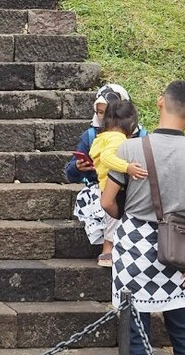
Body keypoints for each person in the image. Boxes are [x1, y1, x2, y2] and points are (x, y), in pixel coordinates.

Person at [102, 80, 185, 355]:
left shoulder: (130, 150)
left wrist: (127, 216)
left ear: (160, 102)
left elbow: (107, 202)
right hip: (177, 252)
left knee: (136, 338)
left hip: (134, 249)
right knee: (184, 336)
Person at [69, 83, 148, 251]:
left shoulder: (142, 135)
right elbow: (70, 174)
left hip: (135, 186)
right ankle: (109, 245)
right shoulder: (92, 135)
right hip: (102, 189)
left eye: (109, 113)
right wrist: (78, 167)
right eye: (100, 112)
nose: (105, 118)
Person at [88, 100, 148, 267]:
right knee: (114, 221)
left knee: (113, 219)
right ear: (131, 124)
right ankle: (108, 253)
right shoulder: (117, 137)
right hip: (113, 187)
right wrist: (127, 167)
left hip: (104, 185)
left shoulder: (103, 136)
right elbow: (107, 158)